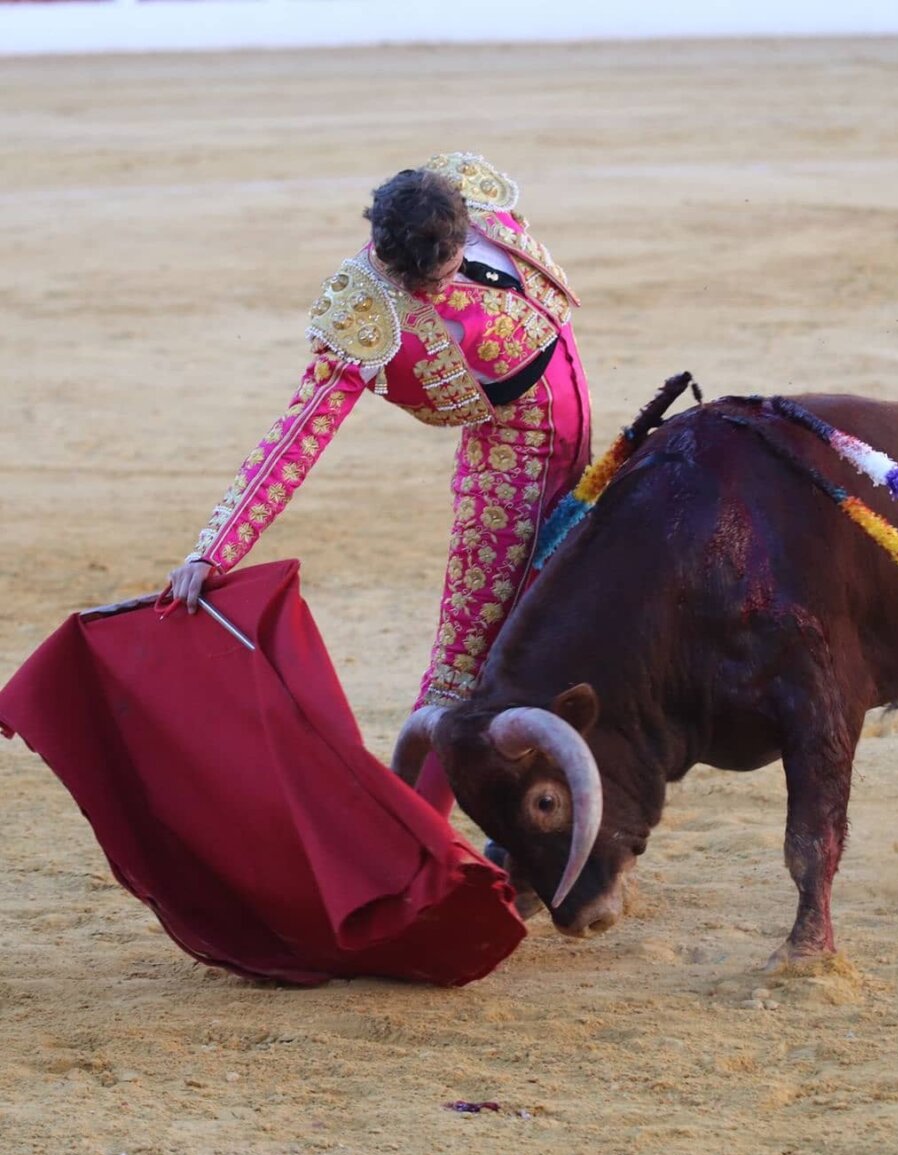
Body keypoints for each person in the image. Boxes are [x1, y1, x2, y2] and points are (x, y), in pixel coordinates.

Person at [166, 151, 592, 814]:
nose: (428, 285)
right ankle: (415, 831)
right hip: (508, 478)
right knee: (464, 660)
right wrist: (212, 548)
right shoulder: (367, 314)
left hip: (579, 445)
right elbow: (294, 437)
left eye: (441, 267)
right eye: (414, 275)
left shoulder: (478, 204)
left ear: (460, 231)